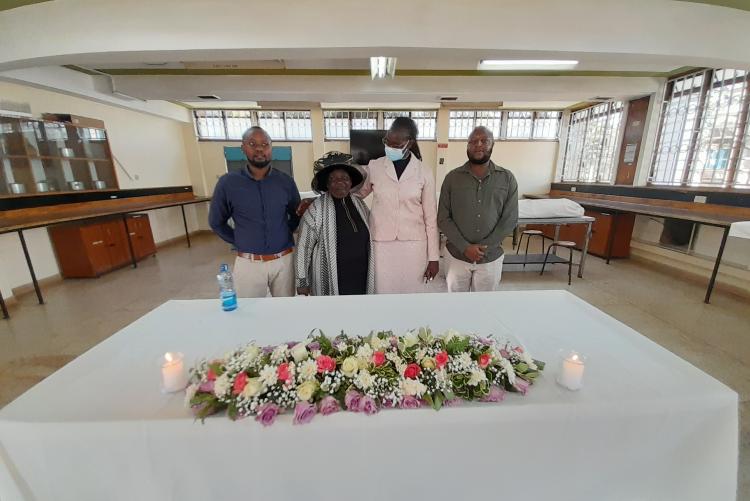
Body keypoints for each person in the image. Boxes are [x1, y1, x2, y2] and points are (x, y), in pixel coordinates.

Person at [209, 126, 301, 297]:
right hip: (248, 263)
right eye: (253, 144)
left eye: (265, 144)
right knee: (249, 312)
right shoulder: (228, 183)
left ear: (271, 148)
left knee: (286, 311)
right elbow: (216, 222)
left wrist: (282, 232)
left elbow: (296, 214)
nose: (260, 149)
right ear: (243, 148)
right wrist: (239, 240)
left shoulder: (286, 182)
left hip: (283, 262)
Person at [356, 117, 439, 294]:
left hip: (414, 245)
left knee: (412, 292)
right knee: (383, 291)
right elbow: (357, 194)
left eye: (396, 145)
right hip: (381, 244)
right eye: (387, 142)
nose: (389, 148)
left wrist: (433, 257)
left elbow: (431, 218)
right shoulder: (375, 166)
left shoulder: (424, 172)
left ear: (410, 143)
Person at [438, 126, 518, 292]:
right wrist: (465, 247)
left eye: (484, 141)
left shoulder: (507, 178)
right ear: (467, 146)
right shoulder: (452, 178)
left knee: (485, 308)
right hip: (456, 257)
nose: (478, 144)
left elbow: (509, 219)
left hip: (490, 258)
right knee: (455, 306)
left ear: (492, 144)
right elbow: (443, 218)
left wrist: (484, 248)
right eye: (473, 141)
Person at [296, 154, 374, 296]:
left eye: (344, 178)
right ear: (326, 184)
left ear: (351, 182)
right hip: (330, 279)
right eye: (333, 179)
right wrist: (302, 282)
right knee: (332, 315)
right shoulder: (315, 209)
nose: (339, 183)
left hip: (360, 277)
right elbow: (303, 247)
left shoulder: (360, 205)